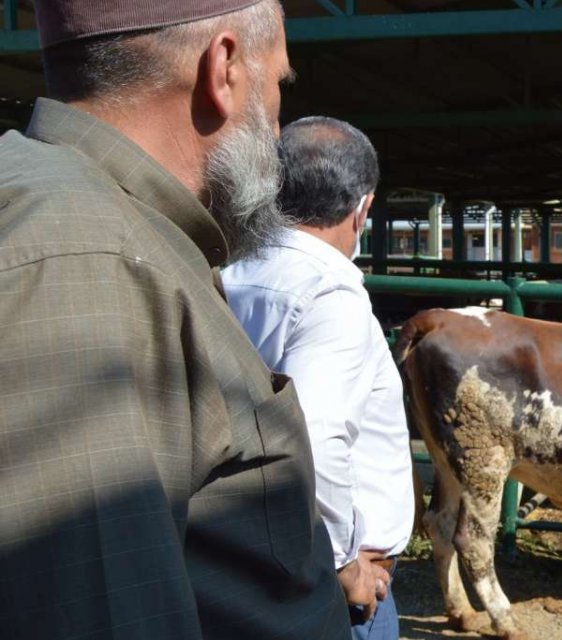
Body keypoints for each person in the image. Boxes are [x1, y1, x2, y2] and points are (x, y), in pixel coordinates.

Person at [0, 1, 350, 639]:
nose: (278, 128)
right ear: (224, 69)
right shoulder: (89, 259)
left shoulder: (106, 226)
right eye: (278, 85)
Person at [223, 117, 415, 639]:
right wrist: (345, 566)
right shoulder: (331, 292)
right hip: (329, 586)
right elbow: (315, 434)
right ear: (363, 208)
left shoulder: (227, 274)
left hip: (239, 562)